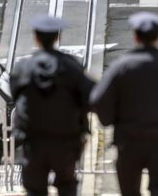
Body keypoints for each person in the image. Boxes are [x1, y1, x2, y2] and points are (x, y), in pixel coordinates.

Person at [90, 12, 158, 196]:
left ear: (135, 36)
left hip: (128, 140)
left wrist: (110, 119)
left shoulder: (121, 67)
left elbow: (98, 99)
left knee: (129, 190)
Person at [10, 15, 95, 196]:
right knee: (66, 185)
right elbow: (90, 96)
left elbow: (15, 94)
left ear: (35, 37)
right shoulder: (71, 67)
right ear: (58, 36)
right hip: (66, 140)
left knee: (34, 189)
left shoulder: (23, 67)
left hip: (33, 140)